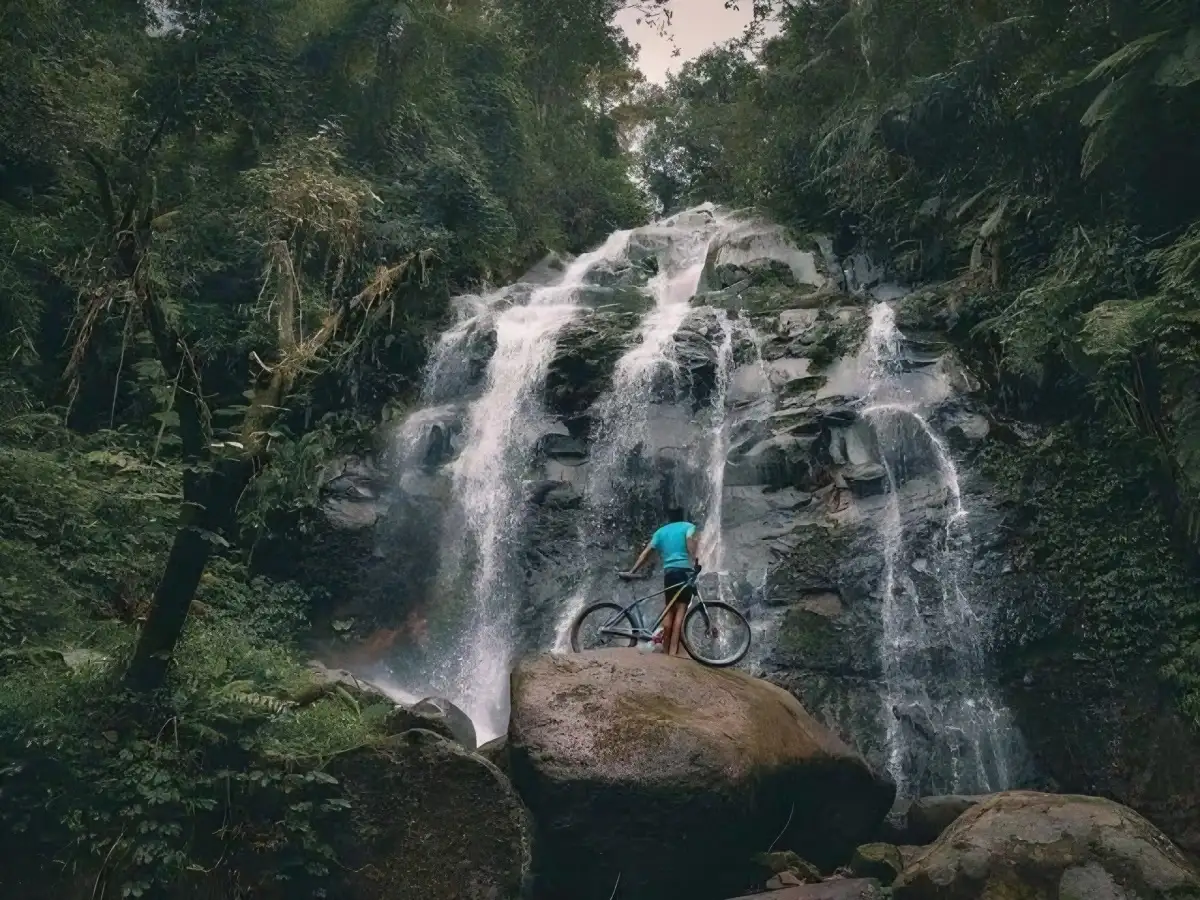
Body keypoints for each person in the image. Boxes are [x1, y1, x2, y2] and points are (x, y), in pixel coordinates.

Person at [622, 506, 700, 658]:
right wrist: (695, 559)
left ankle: (665, 650)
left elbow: (646, 553)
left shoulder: (661, 531)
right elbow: (690, 541)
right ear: (682, 515)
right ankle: (673, 652)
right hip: (683, 572)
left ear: (669, 517)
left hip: (669, 574)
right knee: (681, 611)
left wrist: (633, 571)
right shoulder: (688, 527)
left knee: (669, 610)